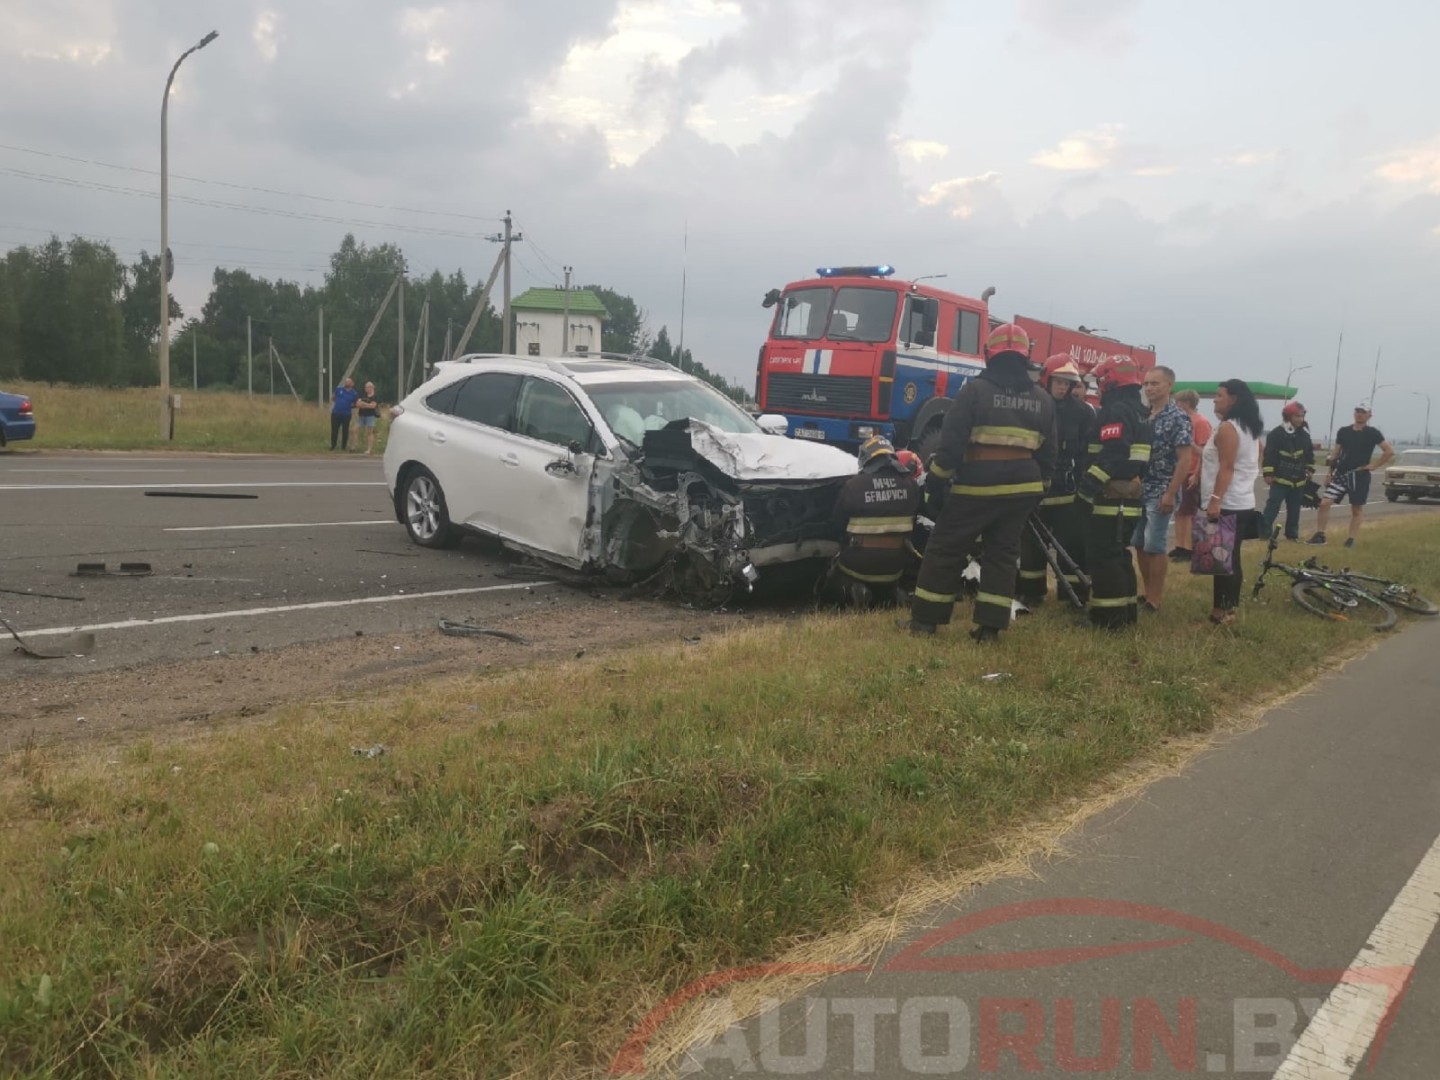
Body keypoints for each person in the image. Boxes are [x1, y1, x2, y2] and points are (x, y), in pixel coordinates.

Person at [900, 323, 1056, 642]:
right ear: (1025, 357)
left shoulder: (974, 391)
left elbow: (952, 444)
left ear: (988, 355)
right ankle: (990, 628)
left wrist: (935, 484)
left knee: (945, 548)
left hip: (977, 486)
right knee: (1002, 554)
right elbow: (1050, 451)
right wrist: (1041, 488)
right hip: (1023, 489)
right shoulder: (1042, 398)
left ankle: (925, 621)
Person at [1077, 356, 1152, 629]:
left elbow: (1113, 454)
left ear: (1110, 381)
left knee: (1104, 557)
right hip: (1127, 496)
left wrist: (1087, 488)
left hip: (1110, 496)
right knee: (1119, 555)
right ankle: (1126, 613)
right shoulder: (1138, 411)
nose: (1098, 388)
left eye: (1100, 381)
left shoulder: (1117, 410)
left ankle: (1108, 619)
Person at [1017, 354, 1094, 605]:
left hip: (1067, 491)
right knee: (1031, 546)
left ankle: (1071, 594)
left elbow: (1086, 451)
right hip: (1036, 487)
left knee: (1072, 544)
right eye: (1059, 381)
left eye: (1067, 383)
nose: (1063, 387)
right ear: (1047, 380)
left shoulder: (1082, 413)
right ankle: (1031, 592)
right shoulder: (1033, 405)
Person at [820, 436, 921, 608]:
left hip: (857, 565)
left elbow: (836, 524)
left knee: (829, 586)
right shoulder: (911, 485)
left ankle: (853, 590)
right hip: (894, 566)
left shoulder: (854, 486)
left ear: (866, 459)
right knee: (886, 584)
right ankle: (888, 595)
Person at [1198, 379, 1264, 625]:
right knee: (1228, 559)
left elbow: (1226, 468)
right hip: (1242, 501)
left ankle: (1224, 612)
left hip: (1228, 503)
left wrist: (1215, 501)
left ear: (1233, 399)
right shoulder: (1249, 428)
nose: (1214, 400)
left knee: (1222, 561)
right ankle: (1226, 610)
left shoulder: (1228, 428)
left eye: (1219, 395)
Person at [1133, 366, 1193, 612]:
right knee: (1137, 541)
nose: (1149, 388)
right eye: (1146, 384)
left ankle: (1154, 600)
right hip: (1138, 488)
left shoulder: (1178, 418)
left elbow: (1184, 460)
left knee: (1154, 544)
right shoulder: (1143, 414)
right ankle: (1146, 592)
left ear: (1169, 386)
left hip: (1161, 488)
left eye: (1155, 383)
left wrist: (1170, 493)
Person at [1307, 403, 1395, 548]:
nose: (1360, 414)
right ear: (1354, 413)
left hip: (1359, 475)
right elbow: (1336, 454)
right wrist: (1330, 473)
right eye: (1357, 411)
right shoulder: (1343, 431)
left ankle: (1351, 539)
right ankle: (1320, 535)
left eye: (1363, 412)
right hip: (1341, 474)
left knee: (1356, 508)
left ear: (1369, 416)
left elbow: (1389, 451)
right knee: (1324, 503)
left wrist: (1374, 465)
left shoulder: (1373, 433)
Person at [1261, 401, 1315, 541]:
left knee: (1295, 509)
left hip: (1299, 479)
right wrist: (1268, 473)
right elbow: (1270, 455)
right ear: (1288, 417)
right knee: (1273, 505)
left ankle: (1292, 535)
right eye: (1297, 416)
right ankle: (1264, 533)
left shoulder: (1304, 434)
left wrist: (1309, 469)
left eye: (1302, 416)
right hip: (1280, 478)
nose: (1300, 419)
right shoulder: (1276, 434)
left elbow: (1309, 454)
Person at [1169, 389, 1211, 561]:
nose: (1176, 406)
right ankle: (1179, 544)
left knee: (1188, 512)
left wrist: (1197, 474)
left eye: (1178, 403)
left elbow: (1205, 452)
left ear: (1186, 403)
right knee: (1179, 511)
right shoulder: (1182, 421)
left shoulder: (1200, 422)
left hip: (1191, 470)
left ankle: (1188, 547)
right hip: (1179, 470)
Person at [331, 376, 359, 451]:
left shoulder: (354, 393)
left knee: (345, 430)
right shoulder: (339, 389)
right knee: (334, 429)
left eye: (349, 382)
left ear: (352, 384)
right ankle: (333, 445)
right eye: (346, 381)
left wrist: (351, 405)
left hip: (346, 414)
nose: (347, 383)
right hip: (336, 412)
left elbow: (356, 403)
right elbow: (333, 398)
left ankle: (343, 446)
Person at [355, 381, 381, 455]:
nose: (366, 388)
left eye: (367, 387)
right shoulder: (362, 394)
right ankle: (354, 446)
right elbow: (357, 404)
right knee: (354, 429)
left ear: (371, 388)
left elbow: (373, 406)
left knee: (370, 432)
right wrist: (367, 405)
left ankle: (369, 449)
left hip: (371, 416)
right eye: (365, 387)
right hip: (361, 415)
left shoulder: (375, 396)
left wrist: (364, 404)